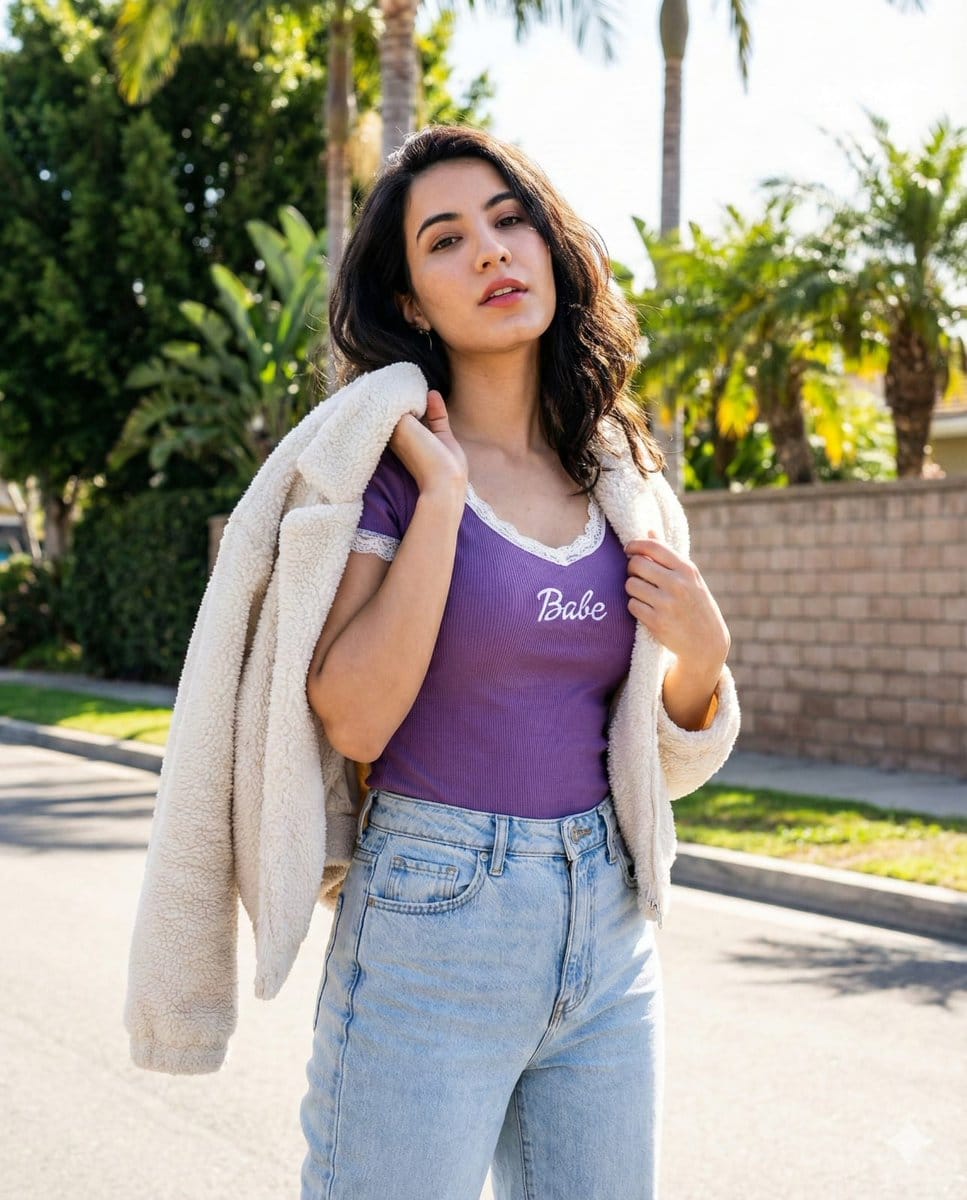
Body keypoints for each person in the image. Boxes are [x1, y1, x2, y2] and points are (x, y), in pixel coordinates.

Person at [296, 124, 740, 1199]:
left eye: (509, 221)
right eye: (446, 240)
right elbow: (352, 719)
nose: (492, 252)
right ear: (409, 301)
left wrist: (703, 657)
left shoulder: (617, 473)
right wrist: (444, 502)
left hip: (606, 922)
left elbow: (657, 748)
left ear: (548, 245)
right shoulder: (392, 472)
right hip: (433, 916)